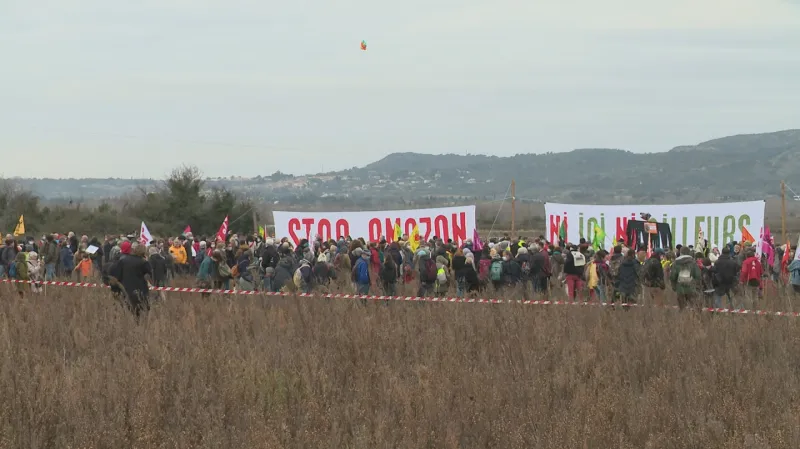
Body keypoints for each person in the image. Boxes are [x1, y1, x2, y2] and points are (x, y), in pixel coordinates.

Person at [110, 242, 152, 318]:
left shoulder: (123, 260)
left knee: (128, 309)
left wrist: (115, 288)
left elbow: (116, 275)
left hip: (126, 288)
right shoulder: (143, 262)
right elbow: (150, 272)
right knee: (143, 310)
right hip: (140, 288)